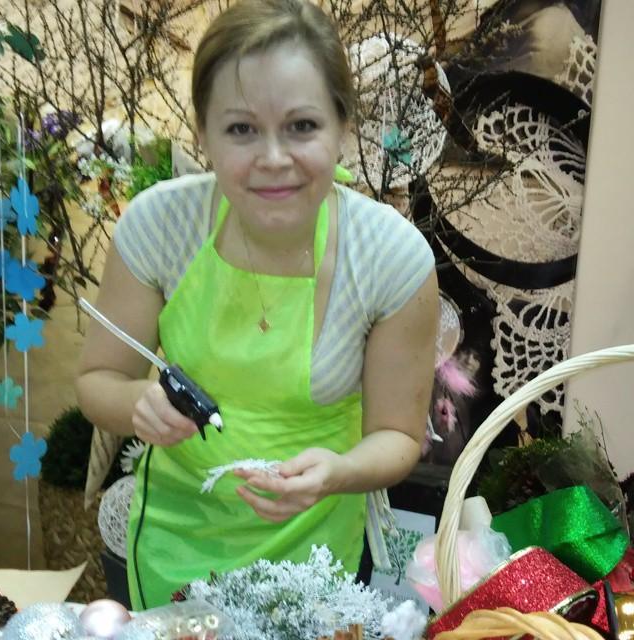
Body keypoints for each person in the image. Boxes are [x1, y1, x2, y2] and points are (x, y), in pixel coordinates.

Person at [76, 0, 438, 610]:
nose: (273, 159)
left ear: (343, 128)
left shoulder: (390, 257)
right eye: (242, 129)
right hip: (172, 547)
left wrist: (339, 472)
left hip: (316, 556)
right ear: (203, 133)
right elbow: (97, 381)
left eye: (302, 126)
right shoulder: (159, 226)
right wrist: (139, 403)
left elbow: (397, 435)